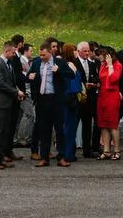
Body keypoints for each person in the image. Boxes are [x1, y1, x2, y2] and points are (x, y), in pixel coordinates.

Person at [31, 38, 75, 167]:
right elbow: (29, 75)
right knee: (44, 130)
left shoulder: (59, 62)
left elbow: (71, 75)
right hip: (42, 100)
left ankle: (61, 157)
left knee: (59, 130)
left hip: (56, 100)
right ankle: (44, 157)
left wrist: (59, 70)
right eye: (40, 55)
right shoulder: (37, 62)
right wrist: (29, 77)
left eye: (44, 55)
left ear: (50, 52)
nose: (42, 57)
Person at [0, 41, 22, 170]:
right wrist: (16, 92)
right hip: (0, 105)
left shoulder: (8, 65)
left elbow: (11, 83)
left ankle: (0, 158)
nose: (14, 55)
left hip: (8, 104)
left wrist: (16, 93)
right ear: (6, 51)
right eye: (13, 52)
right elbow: (0, 84)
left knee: (4, 133)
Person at [59, 41, 85, 164]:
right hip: (71, 99)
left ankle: (67, 152)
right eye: (74, 50)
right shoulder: (70, 65)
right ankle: (68, 154)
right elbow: (74, 84)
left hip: (66, 98)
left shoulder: (64, 64)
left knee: (69, 126)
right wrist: (81, 91)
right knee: (70, 127)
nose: (76, 52)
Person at [96, 45, 123, 159]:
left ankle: (116, 150)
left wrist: (110, 65)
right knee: (103, 124)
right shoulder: (102, 66)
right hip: (102, 95)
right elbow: (101, 79)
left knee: (112, 124)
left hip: (112, 96)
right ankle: (106, 150)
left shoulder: (118, 66)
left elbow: (113, 79)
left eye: (101, 55)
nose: (99, 57)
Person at [74, 41, 99, 158]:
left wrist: (93, 84)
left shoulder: (92, 63)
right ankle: (71, 149)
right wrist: (84, 85)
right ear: (78, 51)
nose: (87, 53)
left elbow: (95, 77)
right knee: (74, 124)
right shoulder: (74, 63)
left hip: (90, 98)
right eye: (84, 51)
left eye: (88, 50)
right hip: (78, 98)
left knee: (87, 124)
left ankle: (87, 150)